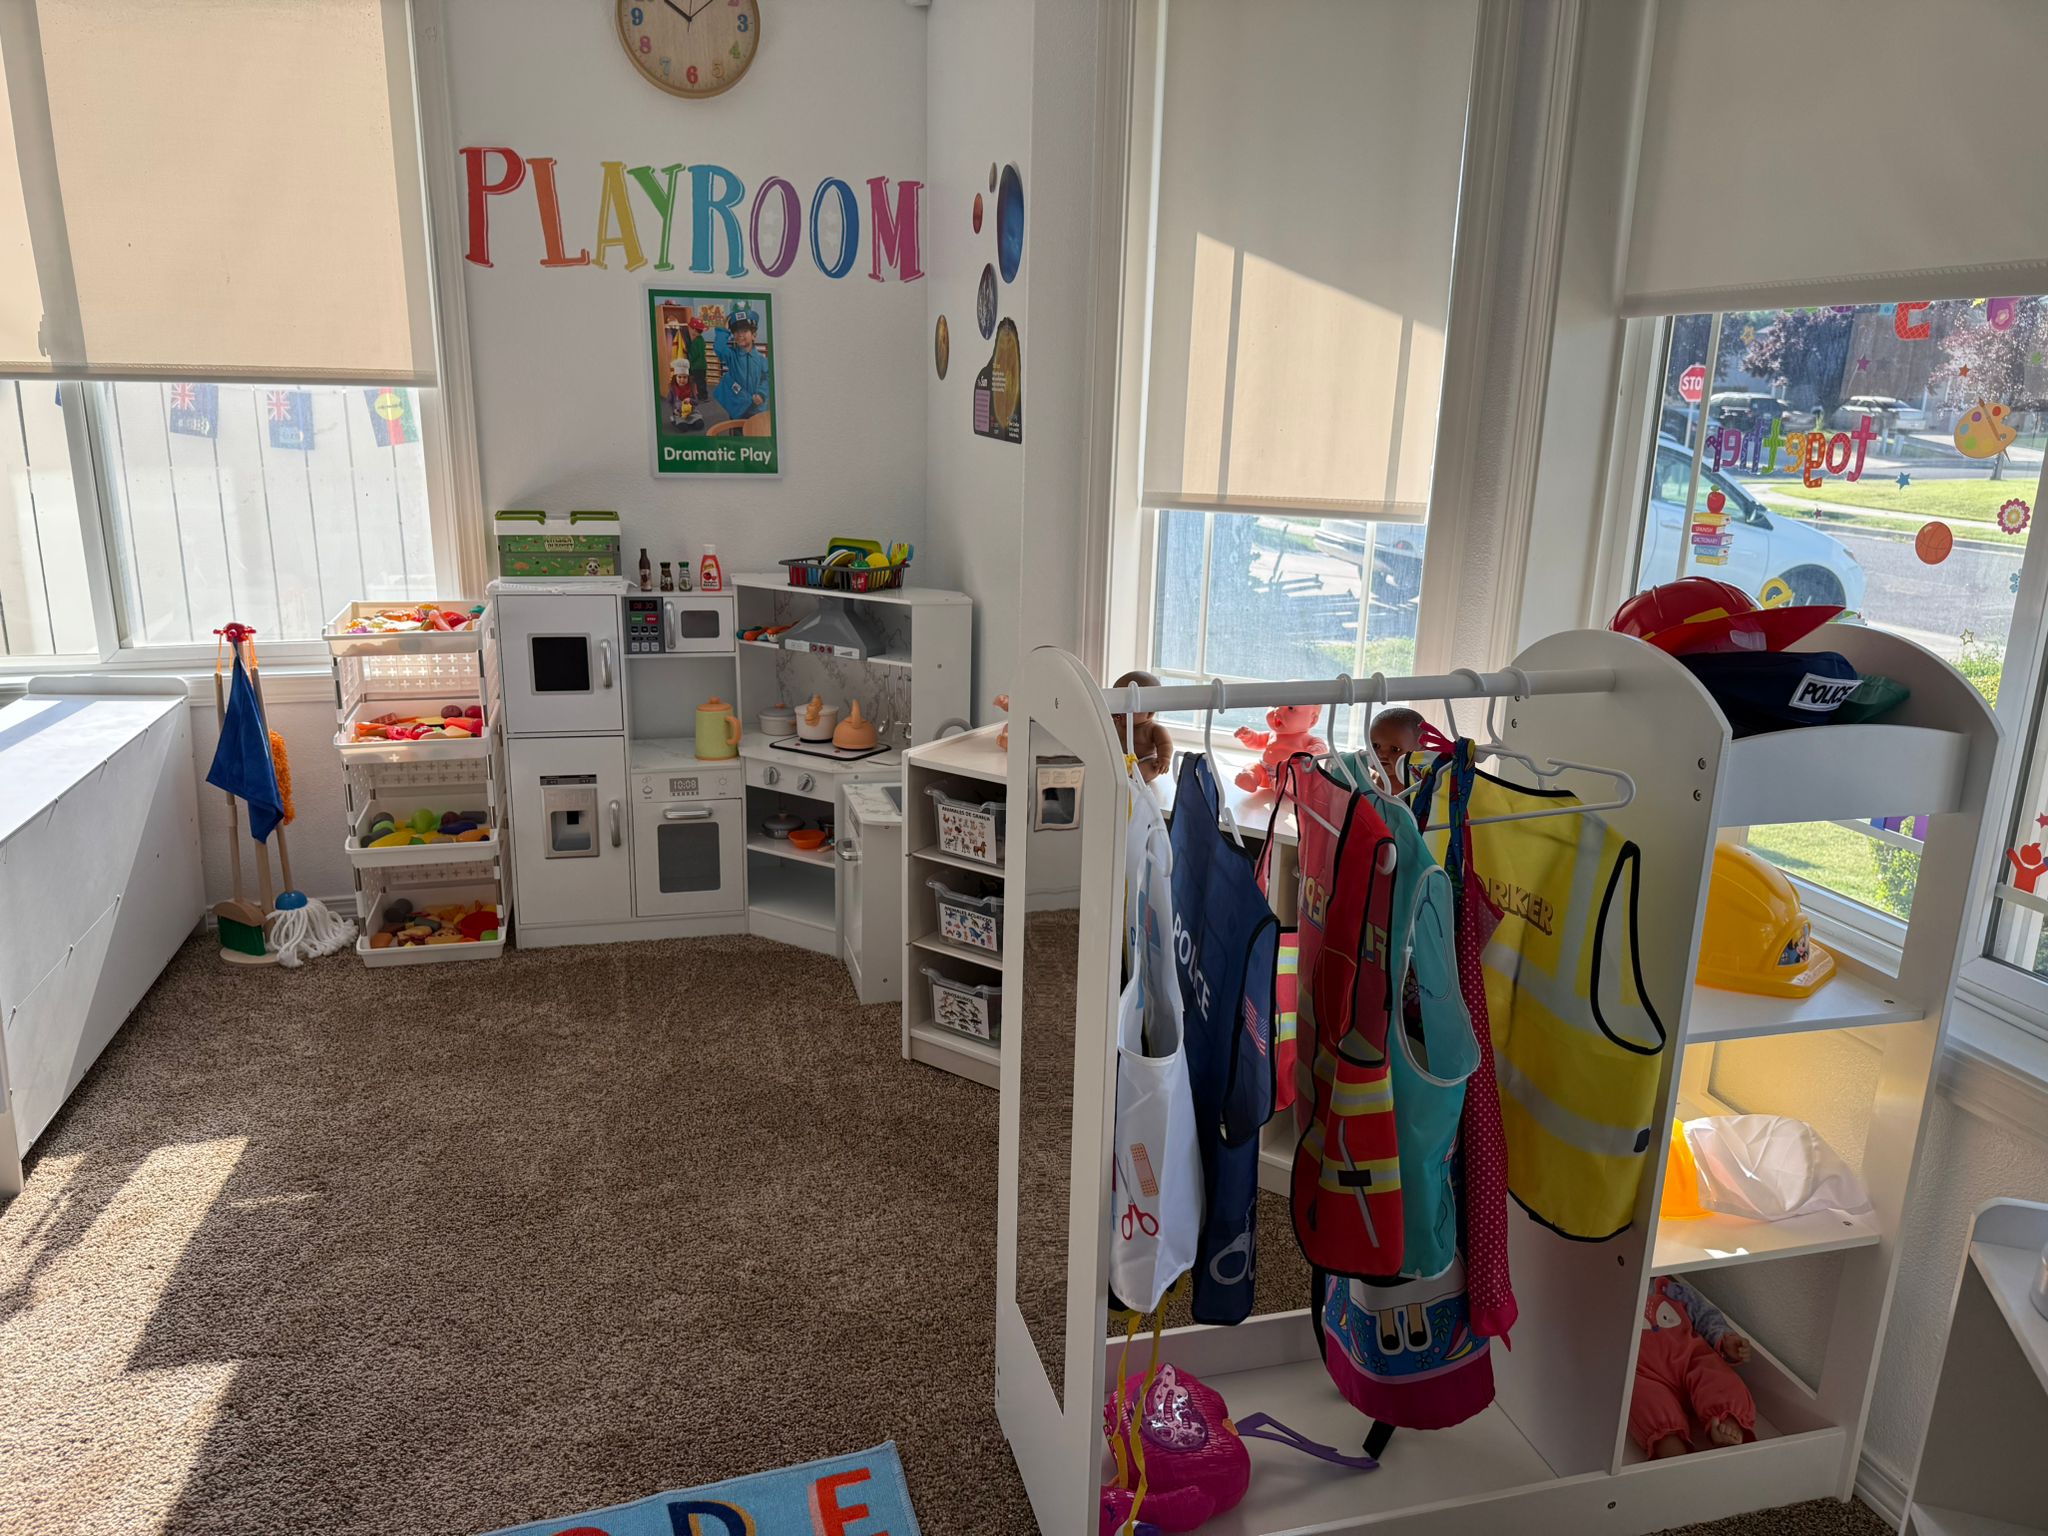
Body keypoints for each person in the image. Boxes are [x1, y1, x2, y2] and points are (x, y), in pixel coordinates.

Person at [711, 309, 771, 423]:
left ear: (754, 335)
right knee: (736, 434)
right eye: (736, 332)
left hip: (756, 408)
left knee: (755, 434)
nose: (740, 334)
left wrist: (762, 394)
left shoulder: (762, 360)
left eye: (744, 330)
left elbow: (767, 379)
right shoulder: (732, 356)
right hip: (738, 407)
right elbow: (719, 348)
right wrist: (723, 329)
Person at [1369, 707, 1426, 788]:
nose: (1382, 754)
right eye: (1375, 746)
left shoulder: (1422, 783)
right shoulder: (1365, 781)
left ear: (1422, 745)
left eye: (1395, 749)